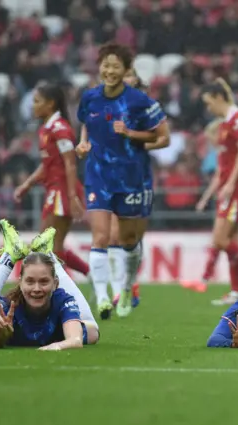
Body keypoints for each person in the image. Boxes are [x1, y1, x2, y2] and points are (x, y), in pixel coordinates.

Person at [75, 42, 167, 320]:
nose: (110, 70)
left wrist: (130, 134)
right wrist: (82, 144)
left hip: (131, 178)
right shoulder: (89, 97)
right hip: (98, 176)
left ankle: (126, 286)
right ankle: (103, 298)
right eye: (106, 64)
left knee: (128, 239)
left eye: (116, 66)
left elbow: (162, 136)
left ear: (127, 70)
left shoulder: (140, 101)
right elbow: (86, 124)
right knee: (101, 236)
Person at [0, 219, 99, 349]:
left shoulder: (62, 300)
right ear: (20, 282)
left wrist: (57, 346)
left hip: (55, 333)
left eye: (44, 282)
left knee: (92, 332)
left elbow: (75, 340)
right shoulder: (7, 306)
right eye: (29, 281)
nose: (36, 289)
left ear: (55, 284)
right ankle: (9, 256)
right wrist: (1, 337)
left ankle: (48, 255)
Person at [181, 78, 238, 306]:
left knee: (221, 240)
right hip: (229, 189)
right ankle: (236, 290)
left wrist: (232, 182)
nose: (208, 108)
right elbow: (225, 164)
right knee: (229, 240)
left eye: (208, 102)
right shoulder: (226, 123)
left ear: (218, 98)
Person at [13, 82, 90, 278]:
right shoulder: (47, 129)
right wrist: (27, 184)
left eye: (37, 101)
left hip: (62, 192)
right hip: (56, 190)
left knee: (47, 248)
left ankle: (67, 293)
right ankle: (92, 276)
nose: (33, 105)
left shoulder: (59, 129)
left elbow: (70, 163)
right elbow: (47, 165)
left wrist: (72, 197)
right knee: (54, 249)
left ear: (51, 104)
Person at [110, 69, 169, 311]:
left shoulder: (146, 107)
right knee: (114, 234)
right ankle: (118, 290)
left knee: (133, 237)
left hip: (138, 175)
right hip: (111, 173)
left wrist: (134, 138)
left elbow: (164, 140)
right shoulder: (106, 105)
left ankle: (131, 284)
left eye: (128, 74)